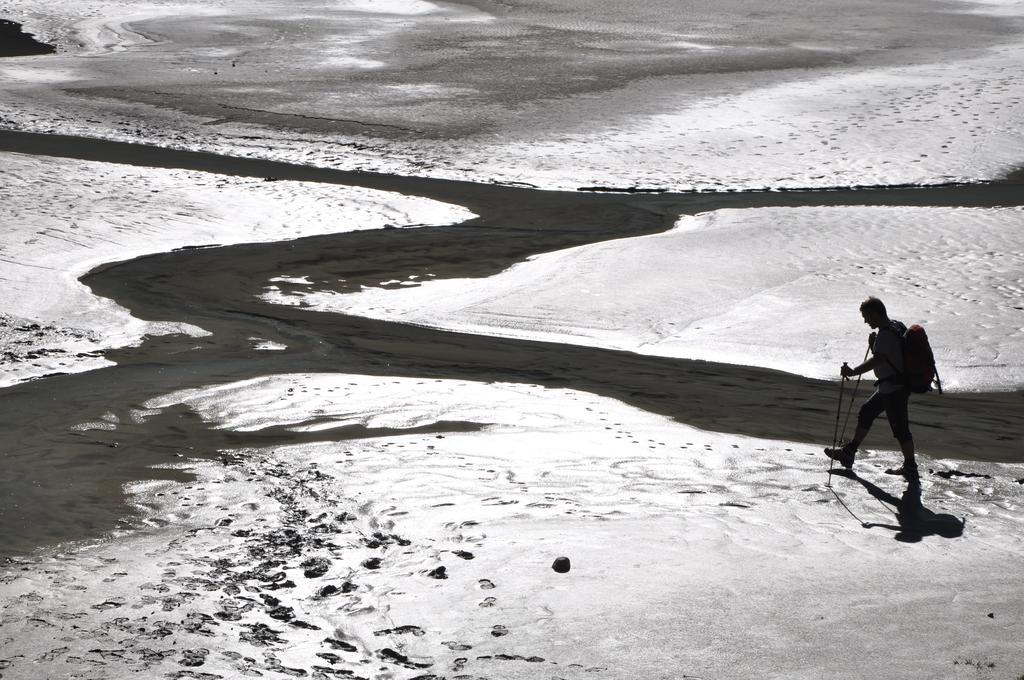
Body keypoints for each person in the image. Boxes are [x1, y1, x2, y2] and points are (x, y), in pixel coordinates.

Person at [826, 296, 918, 478]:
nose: (865, 321)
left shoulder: (885, 334)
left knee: (900, 429)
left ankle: (910, 468)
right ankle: (849, 452)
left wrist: (853, 372)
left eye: (866, 316)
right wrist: (873, 345)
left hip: (894, 389)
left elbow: (878, 360)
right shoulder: (895, 325)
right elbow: (889, 355)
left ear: (875, 314)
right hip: (891, 386)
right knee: (867, 412)